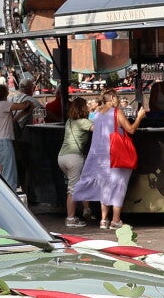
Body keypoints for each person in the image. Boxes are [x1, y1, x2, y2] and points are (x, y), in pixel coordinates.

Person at [68, 93, 139, 231]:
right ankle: (116, 220)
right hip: (114, 154)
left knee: (105, 186)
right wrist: (140, 116)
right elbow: (131, 129)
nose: (119, 100)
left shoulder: (97, 114)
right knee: (118, 185)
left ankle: (103, 220)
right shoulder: (117, 112)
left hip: (99, 155)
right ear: (112, 98)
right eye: (117, 98)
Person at [57, 97, 92, 227]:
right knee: (73, 189)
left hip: (62, 157)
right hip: (74, 157)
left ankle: (86, 209)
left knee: (79, 183)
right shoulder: (84, 122)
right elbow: (100, 129)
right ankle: (70, 219)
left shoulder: (69, 121)